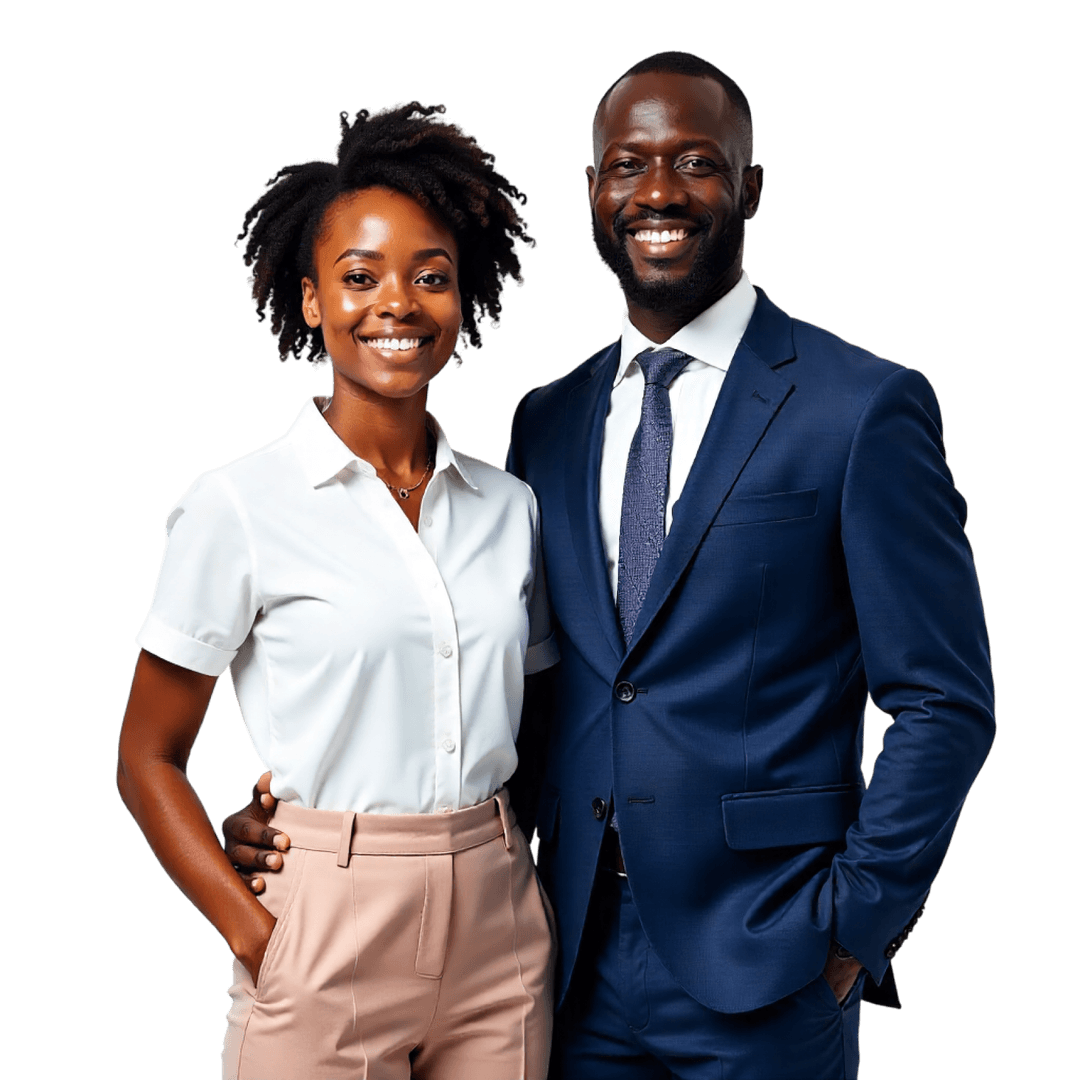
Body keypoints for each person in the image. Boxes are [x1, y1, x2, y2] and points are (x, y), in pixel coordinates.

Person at [225, 52, 995, 1079]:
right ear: (593, 193)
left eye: (697, 163)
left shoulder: (861, 408)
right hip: (563, 953)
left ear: (751, 188)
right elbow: (532, 689)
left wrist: (852, 929)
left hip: (771, 960)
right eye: (628, 166)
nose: (660, 193)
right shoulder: (550, 419)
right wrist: (325, 819)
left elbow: (946, 700)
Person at [116, 101, 556, 1080]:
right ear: (311, 299)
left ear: (463, 300)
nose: (395, 302)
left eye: (429, 277)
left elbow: (538, 729)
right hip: (325, 922)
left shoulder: (510, 509)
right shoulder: (236, 506)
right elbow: (147, 756)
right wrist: (259, 936)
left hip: (500, 924)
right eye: (358, 276)